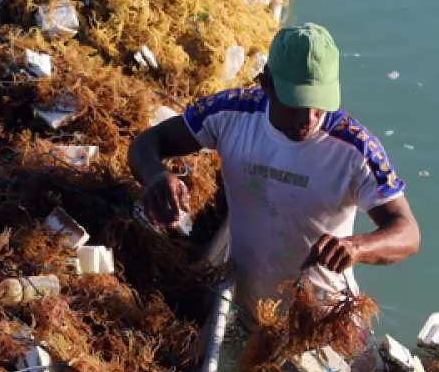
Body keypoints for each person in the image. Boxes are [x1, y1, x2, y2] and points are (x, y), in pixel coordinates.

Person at [127, 23, 420, 319]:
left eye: (319, 105)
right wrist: (155, 177)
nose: (308, 118)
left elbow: (407, 232)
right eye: (295, 103)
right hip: (244, 308)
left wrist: (357, 248)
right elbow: (148, 143)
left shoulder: (355, 149)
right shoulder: (231, 114)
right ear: (266, 84)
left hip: (320, 314)